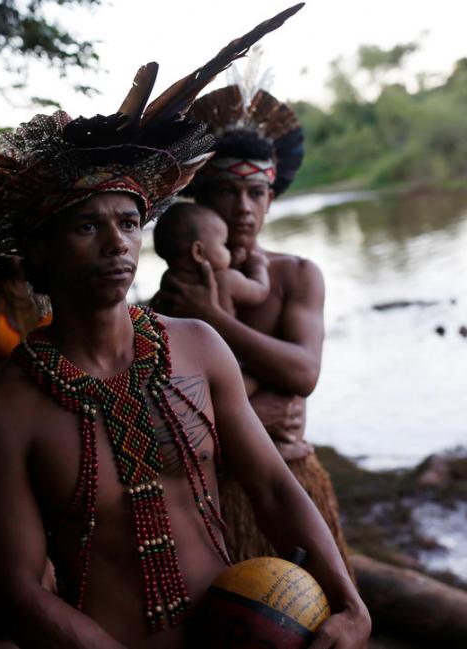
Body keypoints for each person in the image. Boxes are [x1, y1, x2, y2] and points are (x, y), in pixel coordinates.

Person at [0, 6, 369, 648]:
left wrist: (351, 605)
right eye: (87, 226)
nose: (117, 244)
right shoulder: (5, 411)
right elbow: (19, 587)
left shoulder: (197, 346)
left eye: (128, 224)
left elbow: (274, 488)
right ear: (39, 253)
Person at [157, 81, 354, 574]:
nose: (243, 207)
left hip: (290, 479)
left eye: (255, 192)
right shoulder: (175, 289)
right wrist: (266, 388)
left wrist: (216, 319)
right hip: (204, 493)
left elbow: (305, 374)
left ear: (271, 199)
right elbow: (167, 390)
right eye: (227, 190)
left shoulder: (296, 275)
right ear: (199, 198)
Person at [151, 201, 269, 322]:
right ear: (198, 252)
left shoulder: (168, 283)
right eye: (223, 244)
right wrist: (258, 266)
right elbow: (261, 291)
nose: (228, 250)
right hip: (225, 340)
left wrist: (232, 264)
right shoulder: (226, 279)